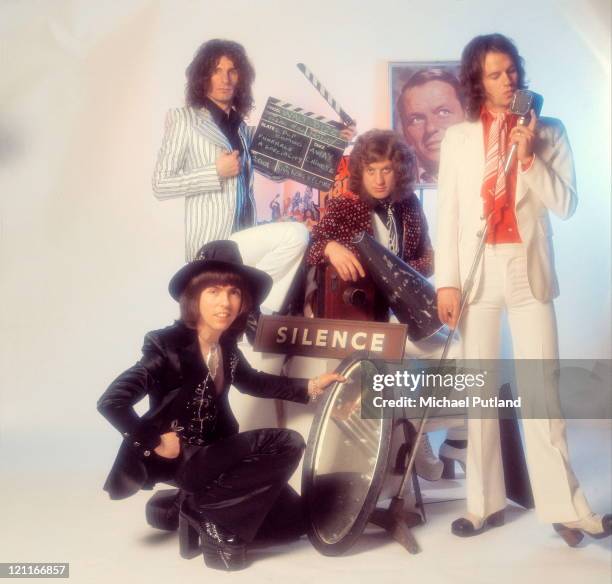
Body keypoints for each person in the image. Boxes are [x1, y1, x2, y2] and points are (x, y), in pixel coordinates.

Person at [436, 33, 610, 543]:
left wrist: (530, 158)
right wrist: (446, 281)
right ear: (477, 81)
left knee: (541, 392)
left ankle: (567, 508)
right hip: (476, 268)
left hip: (527, 267)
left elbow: (567, 203)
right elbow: (446, 214)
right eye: (494, 73)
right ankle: (483, 503)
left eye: (511, 70)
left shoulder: (549, 130)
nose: (507, 80)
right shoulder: (459, 137)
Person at [98, 240, 345, 571]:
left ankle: (187, 507)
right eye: (213, 291)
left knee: (294, 523)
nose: (225, 302)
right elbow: (112, 402)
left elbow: (255, 381)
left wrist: (312, 385)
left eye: (233, 292)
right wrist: (155, 440)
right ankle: (212, 519)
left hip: (217, 457)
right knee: (288, 443)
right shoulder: (166, 347)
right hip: (184, 460)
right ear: (194, 297)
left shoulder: (225, 347)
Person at [307, 129, 465, 481]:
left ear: (400, 171)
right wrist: (331, 247)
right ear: (360, 172)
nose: (379, 179)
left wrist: (400, 272)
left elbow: (426, 257)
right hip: (363, 318)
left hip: (403, 309)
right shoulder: (346, 205)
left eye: (387, 170)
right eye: (372, 170)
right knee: (394, 358)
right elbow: (312, 244)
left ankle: (434, 434)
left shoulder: (409, 205)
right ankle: (413, 439)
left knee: (458, 348)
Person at [152, 39, 354, 314]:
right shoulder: (184, 120)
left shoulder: (244, 130)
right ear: (202, 76)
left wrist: (332, 141)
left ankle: (253, 309)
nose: (225, 79)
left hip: (244, 239)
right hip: (214, 245)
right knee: (295, 233)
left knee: (299, 240)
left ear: (241, 77)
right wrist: (215, 172)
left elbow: (279, 170)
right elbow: (161, 184)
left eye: (232, 70)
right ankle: (254, 307)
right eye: (216, 70)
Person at [397, 69, 465, 184]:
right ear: (404, 131)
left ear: (467, 116)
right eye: (416, 119)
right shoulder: (394, 183)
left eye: (443, 112)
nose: (430, 128)